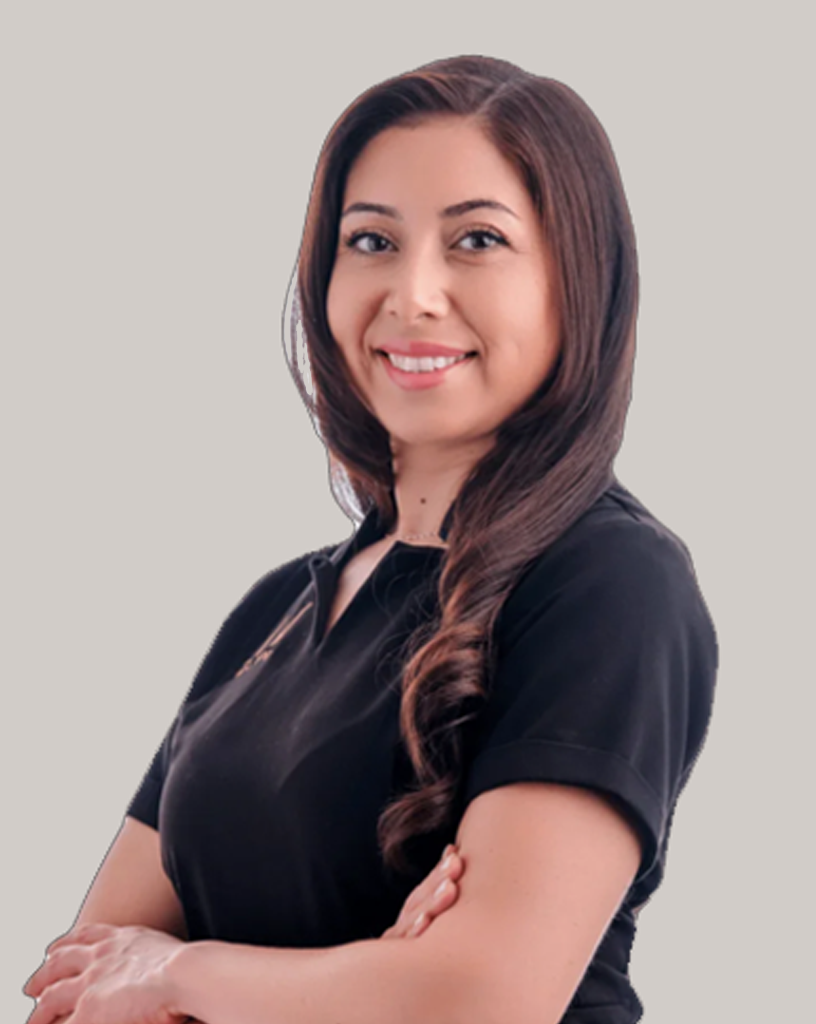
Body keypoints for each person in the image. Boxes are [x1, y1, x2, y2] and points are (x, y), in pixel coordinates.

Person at [23, 54, 718, 1024]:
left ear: (578, 280)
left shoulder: (607, 581)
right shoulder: (277, 609)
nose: (415, 292)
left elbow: (483, 998)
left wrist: (183, 972)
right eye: (371, 240)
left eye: (477, 238)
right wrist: (365, 977)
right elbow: (75, 993)